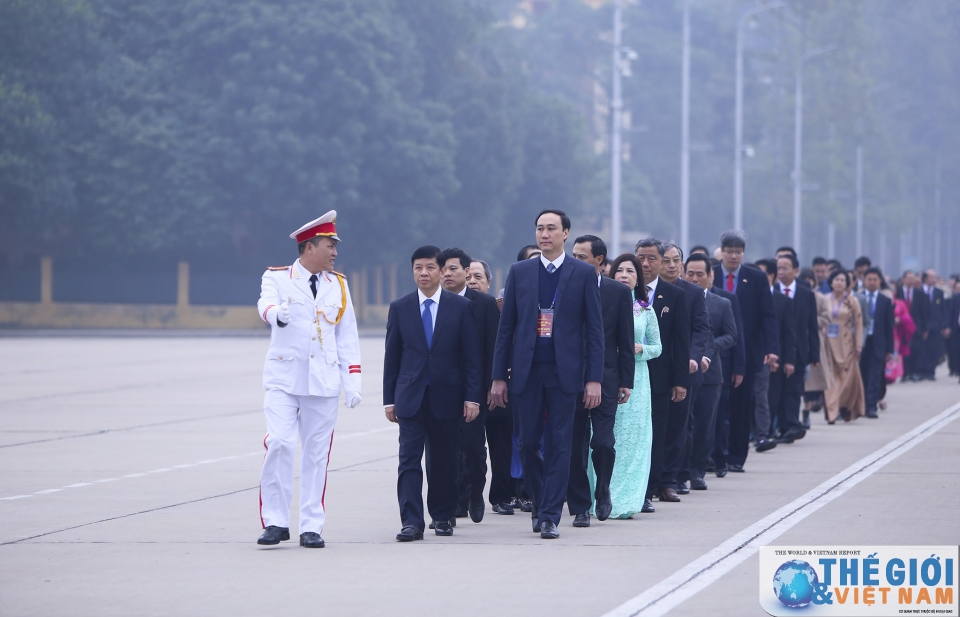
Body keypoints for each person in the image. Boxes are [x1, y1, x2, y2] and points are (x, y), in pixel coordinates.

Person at [490, 210, 604, 539]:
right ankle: (540, 503)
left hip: (565, 373)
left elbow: (594, 331)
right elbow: (506, 328)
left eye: (551, 228)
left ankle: (551, 514)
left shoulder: (582, 273)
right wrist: (499, 376)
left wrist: (593, 378)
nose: (545, 234)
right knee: (527, 444)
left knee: (560, 444)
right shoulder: (520, 272)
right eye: (540, 228)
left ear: (565, 233)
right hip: (527, 371)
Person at [255, 210, 362, 549]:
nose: (335, 253)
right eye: (330, 246)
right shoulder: (277, 277)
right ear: (310, 246)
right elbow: (264, 305)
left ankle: (310, 526)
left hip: (323, 382)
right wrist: (277, 315)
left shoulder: (339, 285)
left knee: (316, 455)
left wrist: (353, 382)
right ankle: (275, 521)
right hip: (284, 379)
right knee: (281, 443)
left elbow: (347, 337)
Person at [383, 246, 482, 542]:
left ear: (442, 271)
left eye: (429, 267)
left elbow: (472, 358)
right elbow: (393, 356)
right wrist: (390, 399)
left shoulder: (460, 307)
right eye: (417, 268)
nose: (423, 273)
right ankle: (411, 521)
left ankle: (442, 516)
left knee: (444, 459)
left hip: (448, 396)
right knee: (409, 460)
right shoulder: (400, 307)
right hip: (410, 396)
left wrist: (472, 397)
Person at [567, 235, 635, 527]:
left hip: (606, 378)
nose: (575, 262)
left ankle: (603, 487)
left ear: (599, 260)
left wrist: (626, 381)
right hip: (569, 379)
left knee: (603, 443)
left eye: (582, 257)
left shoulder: (617, 292)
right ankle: (581, 506)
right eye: (574, 256)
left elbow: (625, 339)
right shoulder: (563, 288)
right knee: (573, 446)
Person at [588, 253, 660, 518]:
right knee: (603, 440)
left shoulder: (645, 309)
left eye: (631, 272)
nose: (625, 275)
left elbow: (658, 346)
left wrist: (641, 349)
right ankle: (600, 493)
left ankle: (628, 499)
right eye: (620, 271)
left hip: (635, 381)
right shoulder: (597, 300)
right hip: (605, 375)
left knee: (633, 443)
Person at [439, 248, 501, 523]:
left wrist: (491, 384)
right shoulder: (432, 302)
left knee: (473, 448)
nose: (446, 274)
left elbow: (493, 347)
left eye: (453, 269)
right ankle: (450, 505)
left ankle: (476, 492)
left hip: (474, 388)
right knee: (443, 450)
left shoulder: (484, 304)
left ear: (466, 271)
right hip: (441, 388)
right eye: (443, 269)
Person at [712, 231, 778, 473]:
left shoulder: (757, 278)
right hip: (718, 352)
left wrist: (771, 349)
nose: (733, 256)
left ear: (743, 253)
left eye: (738, 252)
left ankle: (736, 457)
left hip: (749, 352)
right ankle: (714, 454)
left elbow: (768, 315)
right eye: (729, 251)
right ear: (722, 252)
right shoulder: (712, 274)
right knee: (718, 408)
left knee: (741, 406)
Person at [634, 237, 690, 511]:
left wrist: (680, 381)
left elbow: (680, 342)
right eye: (640, 257)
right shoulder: (621, 291)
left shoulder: (676, 296)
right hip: (626, 376)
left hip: (660, 378)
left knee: (654, 435)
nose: (645, 263)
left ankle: (648, 489)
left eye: (651, 258)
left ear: (661, 260)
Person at [660, 243, 712, 497]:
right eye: (666, 260)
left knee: (679, 425)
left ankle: (674, 478)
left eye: (675, 260)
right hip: (655, 365)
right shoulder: (647, 290)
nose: (671, 265)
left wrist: (693, 357)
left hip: (684, 369)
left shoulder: (693, 293)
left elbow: (702, 329)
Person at [681, 254, 737, 490]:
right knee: (683, 424)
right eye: (690, 274)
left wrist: (710, 348)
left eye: (700, 274)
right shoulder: (678, 299)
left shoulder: (721, 303)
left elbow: (731, 335)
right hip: (683, 372)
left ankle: (697, 472)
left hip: (711, 373)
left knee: (705, 424)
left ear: (710, 276)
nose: (694, 279)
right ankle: (679, 473)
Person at [707, 258, 746, 478]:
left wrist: (739, 367)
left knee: (721, 416)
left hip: (723, 364)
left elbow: (735, 334)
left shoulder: (726, 299)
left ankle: (721, 458)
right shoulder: (685, 296)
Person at [773, 253, 818, 442]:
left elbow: (812, 326)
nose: (781, 272)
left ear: (796, 271)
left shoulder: (806, 294)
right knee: (777, 391)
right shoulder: (771, 292)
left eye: (785, 268)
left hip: (799, 351)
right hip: (776, 351)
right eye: (778, 268)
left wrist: (814, 353)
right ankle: (778, 426)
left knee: (793, 391)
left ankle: (791, 426)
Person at [753, 259, 796, 451]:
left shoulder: (782, 301)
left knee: (764, 396)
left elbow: (787, 333)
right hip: (748, 354)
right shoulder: (746, 297)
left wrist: (779, 357)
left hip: (768, 355)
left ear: (771, 276)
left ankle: (764, 433)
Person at [823, 270, 865, 423]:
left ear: (847, 284)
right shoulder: (824, 299)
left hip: (846, 344)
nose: (839, 282)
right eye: (836, 279)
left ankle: (845, 406)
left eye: (842, 280)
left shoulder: (852, 301)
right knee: (830, 378)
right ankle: (832, 411)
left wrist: (859, 345)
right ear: (831, 282)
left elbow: (859, 324)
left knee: (846, 380)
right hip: (827, 343)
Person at [859, 268, 894, 419]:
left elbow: (889, 326)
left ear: (880, 281)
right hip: (861, 342)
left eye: (875, 280)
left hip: (878, 342)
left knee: (875, 375)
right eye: (869, 279)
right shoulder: (857, 298)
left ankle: (871, 406)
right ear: (864, 281)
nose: (872, 282)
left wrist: (889, 349)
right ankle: (860, 405)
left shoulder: (885, 301)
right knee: (861, 374)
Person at [896, 271, 930, 381]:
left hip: (916, 327)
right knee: (903, 350)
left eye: (913, 278)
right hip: (901, 327)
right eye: (909, 278)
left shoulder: (920, 294)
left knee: (915, 349)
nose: (911, 280)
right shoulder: (897, 293)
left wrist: (925, 329)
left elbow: (924, 313)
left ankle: (914, 373)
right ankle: (904, 373)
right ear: (903, 280)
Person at [921, 269, 947, 380]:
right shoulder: (919, 291)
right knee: (923, 349)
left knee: (934, 349)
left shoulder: (939, 292)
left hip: (936, 326)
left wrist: (943, 325)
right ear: (925, 278)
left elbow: (943, 310)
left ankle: (931, 371)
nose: (934, 279)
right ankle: (923, 370)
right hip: (922, 325)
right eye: (932, 277)